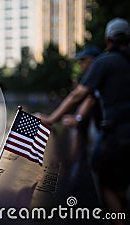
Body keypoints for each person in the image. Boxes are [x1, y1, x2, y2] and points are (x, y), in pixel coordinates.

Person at [37, 18, 130, 224]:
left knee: (103, 177)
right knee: (119, 182)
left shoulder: (105, 62)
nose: (81, 64)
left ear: (108, 40)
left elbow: (80, 96)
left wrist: (51, 119)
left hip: (116, 136)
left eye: (83, 61)